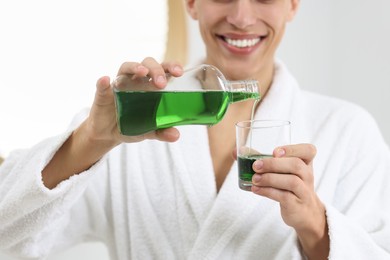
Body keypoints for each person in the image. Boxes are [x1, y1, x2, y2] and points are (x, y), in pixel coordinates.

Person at [1, 0, 390, 259]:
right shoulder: (131, 127)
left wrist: (316, 227)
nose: (241, 16)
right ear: (190, 2)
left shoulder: (348, 132)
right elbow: (10, 237)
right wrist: (91, 140)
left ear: (292, 3)